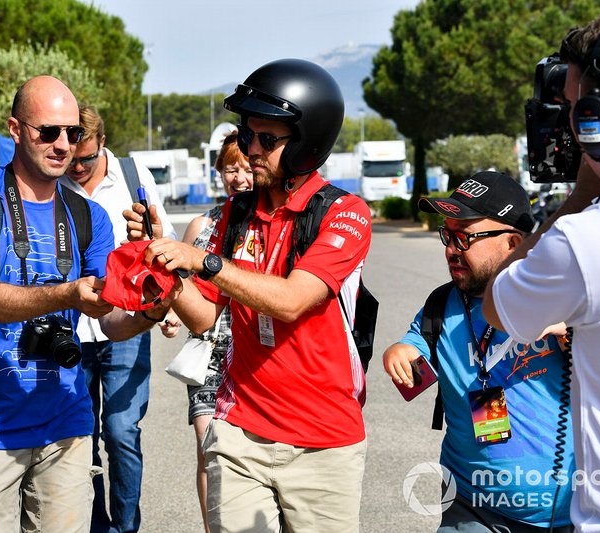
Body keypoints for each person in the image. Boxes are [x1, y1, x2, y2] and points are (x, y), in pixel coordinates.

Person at [126, 58, 370, 532]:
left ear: (307, 142)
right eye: (245, 135)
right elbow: (202, 319)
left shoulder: (345, 213)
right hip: (239, 432)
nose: (251, 149)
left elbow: (292, 300)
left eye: (267, 140)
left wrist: (206, 262)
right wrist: (163, 260)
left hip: (323, 443)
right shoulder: (234, 214)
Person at [0, 75, 176, 533]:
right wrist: (67, 293)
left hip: (67, 424)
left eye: (73, 133)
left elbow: (114, 322)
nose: (63, 144)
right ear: (15, 129)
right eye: (48, 132)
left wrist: (154, 303)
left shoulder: (89, 215)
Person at [484, 13, 600, 530]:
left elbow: (497, 305)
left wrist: (577, 198)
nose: (571, 126)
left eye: (576, 109)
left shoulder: (586, 238)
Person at [383, 171, 574, 532]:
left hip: (564, 511)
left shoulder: (558, 295)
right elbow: (415, 342)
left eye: (465, 238)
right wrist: (400, 351)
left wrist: (574, 334)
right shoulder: (442, 304)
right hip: (471, 504)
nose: (451, 249)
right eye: (447, 235)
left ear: (513, 241)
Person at [60, 104, 177, 533]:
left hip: (126, 323)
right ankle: (94, 525)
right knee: (79, 437)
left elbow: (162, 241)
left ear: (102, 143)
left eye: (86, 158)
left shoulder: (133, 177)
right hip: (72, 326)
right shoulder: (52, 180)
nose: (77, 167)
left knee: (121, 430)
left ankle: (126, 527)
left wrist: (163, 305)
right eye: (71, 158)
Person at [172, 129, 252, 532]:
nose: (238, 177)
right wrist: (171, 313)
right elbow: (180, 286)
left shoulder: (266, 224)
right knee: (208, 448)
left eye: (245, 167)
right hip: (208, 350)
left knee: (245, 453)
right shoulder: (201, 224)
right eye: (229, 169)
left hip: (255, 354)